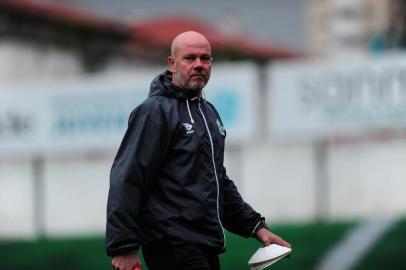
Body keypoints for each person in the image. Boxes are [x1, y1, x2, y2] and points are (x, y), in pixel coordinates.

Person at [106, 31, 291, 270]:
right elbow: (128, 178)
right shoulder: (154, 111)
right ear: (172, 63)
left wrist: (257, 228)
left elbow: (217, 182)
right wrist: (122, 247)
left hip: (204, 242)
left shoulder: (209, 113)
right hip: (170, 242)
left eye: (205, 59)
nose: (198, 65)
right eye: (190, 58)